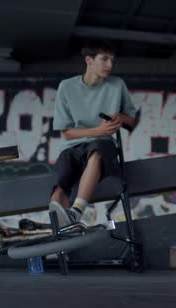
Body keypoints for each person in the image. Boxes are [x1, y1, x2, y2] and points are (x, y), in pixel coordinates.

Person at [49, 40, 137, 227]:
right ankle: (63, 230)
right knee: (59, 187)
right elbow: (68, 134)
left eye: (112, 60)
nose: (110, 65)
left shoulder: (117, 84)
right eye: (104, 59)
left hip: (103, 145)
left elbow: (132, 121)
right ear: (89, 60)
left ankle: (76, 212)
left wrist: (119, 117)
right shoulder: (66, 87)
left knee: (97, 152)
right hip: (73, 147)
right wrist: (97, 130)